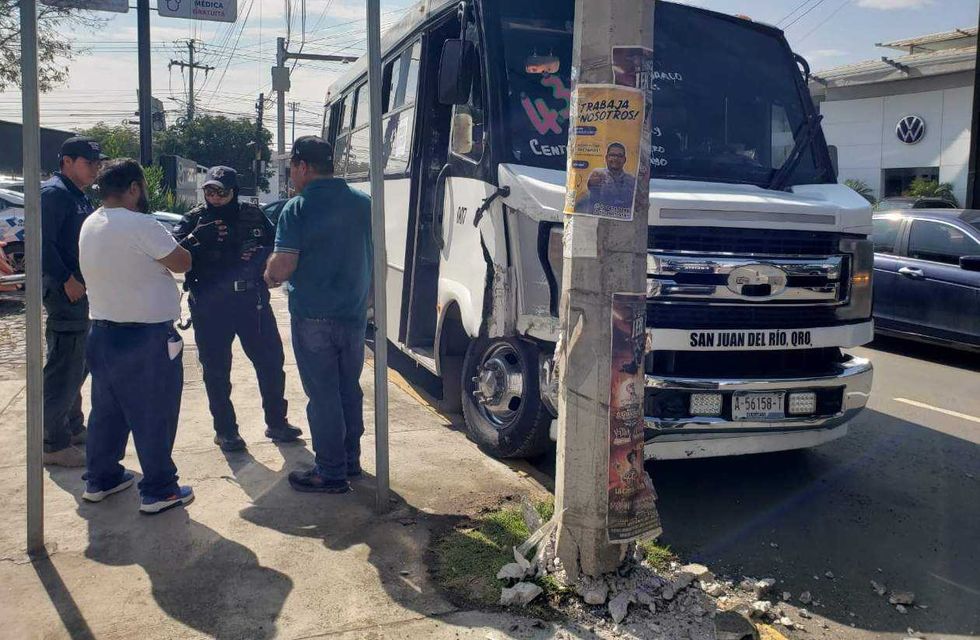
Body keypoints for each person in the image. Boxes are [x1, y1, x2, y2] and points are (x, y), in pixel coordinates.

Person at [78, 159, 195, 514]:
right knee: (153, 413)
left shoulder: (91, 222)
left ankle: (101, 478)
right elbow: (182, 262)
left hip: (101, 331)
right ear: (133, 188)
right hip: (145, 338)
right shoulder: (142, 224)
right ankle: (160, 489)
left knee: (107, 411)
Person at [264, 136, 372, 494]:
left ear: (303, 166)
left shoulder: (297, 208)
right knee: (347, 390)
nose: (291, 175)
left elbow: (282, 267)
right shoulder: (363, 203)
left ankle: (330, 471)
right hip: (354, 316)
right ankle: (350, 459)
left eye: (292, 167)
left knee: (323, 395)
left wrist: (268, 275)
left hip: (313, 316)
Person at [173, 167, 299, 452]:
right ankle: (226, 430)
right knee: (217, 371)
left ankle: (277, 422)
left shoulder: (253, 215)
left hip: (250, 302)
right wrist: (197, 240)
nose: (215, 198)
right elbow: (172, 255)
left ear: (234, 192)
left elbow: (276, 245)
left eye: (222, 192)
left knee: (270, 362)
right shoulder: (195, 220)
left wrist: (260, 260)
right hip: (211, 305)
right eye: (210, 191)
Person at [40, 136, 105, 467]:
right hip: (65, 290)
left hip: (81, 289)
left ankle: (72, 425)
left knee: (80, 360)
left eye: (97, 163)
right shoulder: (54, 194)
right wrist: (66, 279)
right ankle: (52, 442)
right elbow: (41, 243)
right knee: (64, 364)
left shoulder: (76, 195)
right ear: (67, 161)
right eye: (88, 162)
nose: (95, 169)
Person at [578, 142, 637, 217]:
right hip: (599, 219)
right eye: (612, 155)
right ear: (606, 158)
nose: (615, 158)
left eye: (619, 156)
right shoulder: (598, 173)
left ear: (624, 159)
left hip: (622, 221)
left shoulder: (631, 179)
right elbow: (592, 187)